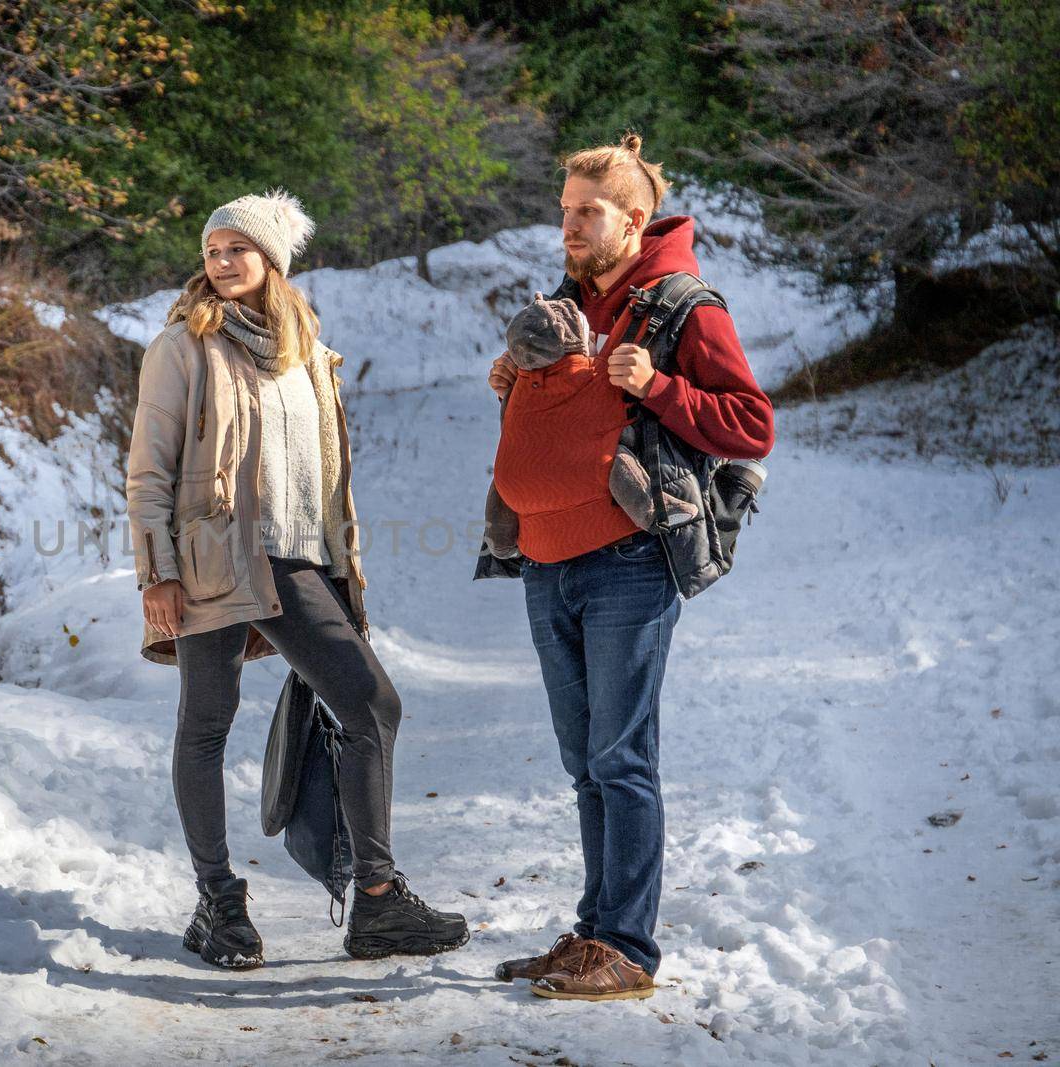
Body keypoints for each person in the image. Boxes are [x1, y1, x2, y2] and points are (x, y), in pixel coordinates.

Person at [124, 190, 469, 970]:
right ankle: (218, 900)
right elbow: (148, 470)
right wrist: (157, 572)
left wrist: (342, 565)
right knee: (209, 720)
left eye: (236, 249)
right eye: (211, 250)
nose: (220, 262)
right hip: (220, 558)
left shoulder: (304, 346)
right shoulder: (182, 345)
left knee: (368, 703)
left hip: (297, 557)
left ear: (272, 258)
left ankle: (376, 902)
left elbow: (324, 471)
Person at [482, 135, 774, 1001]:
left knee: (622, 758)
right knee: (584, 763)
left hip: (630, 564)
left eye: (587, 212)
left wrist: (658, 385)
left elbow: (751, 423)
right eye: (565, 208)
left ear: (633, 219)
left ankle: (630, 949)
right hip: (544, 559)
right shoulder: (568, 300)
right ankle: (592, 935)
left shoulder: (684, 306)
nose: (567, 225)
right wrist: (513, 385)